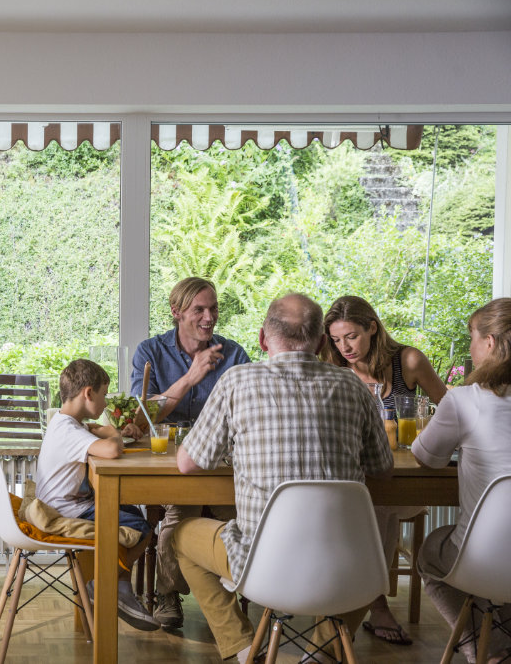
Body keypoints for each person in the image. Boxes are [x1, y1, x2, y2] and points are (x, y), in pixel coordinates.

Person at [172, 293, 394, 664]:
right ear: (323, 343)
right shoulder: (354, 386)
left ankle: (243, 646)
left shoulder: (236, 382)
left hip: (262, 564)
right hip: (344, 562)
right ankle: (321, 652)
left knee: (179, 535)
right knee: (369, 569)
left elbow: (188, 463)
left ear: (262, 339)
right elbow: (382, 467)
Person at [125, 276, 250, 629]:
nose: (209, 317)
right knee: (182, 509)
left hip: (222, 464)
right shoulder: (150, 352)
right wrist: (189, 378)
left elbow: (248, 410)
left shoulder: (234, 354)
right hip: (171, 464)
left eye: (213, 309)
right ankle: (168, 593)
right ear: (177, 312)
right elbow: (141, 416)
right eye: (199, 309)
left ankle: (232, 591)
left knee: (242, 515)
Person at [324, 294, 448, 646]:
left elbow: (451, 407)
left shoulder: (407, 361)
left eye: (351, 336)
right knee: (371, 501)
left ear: (372, 328)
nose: (343, 346)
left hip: (406, 482)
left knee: (375, 504)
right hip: (358, 479)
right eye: (335, 339)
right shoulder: (335, 369)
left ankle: (361, 607)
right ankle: (371, 606)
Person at [412, 298, 511, 664]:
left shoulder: (464, 400)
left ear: (488, 343)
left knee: (431, 554)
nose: (470, 347)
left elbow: (426, 456)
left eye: (471, 337)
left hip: (482, 558)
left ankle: (489, 652)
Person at [34, 358, 160, 631]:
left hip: (64, 504)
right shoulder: (68, 429)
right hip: (64, 510)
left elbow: (100, 441)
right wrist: (113, 432)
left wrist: (106, 433)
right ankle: (109, 585)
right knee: (142, 527)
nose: (105, 404)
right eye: (103, 395)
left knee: (133, 513)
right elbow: (112, 451)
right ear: (88, 393)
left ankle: (119, 586)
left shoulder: (66, 422)